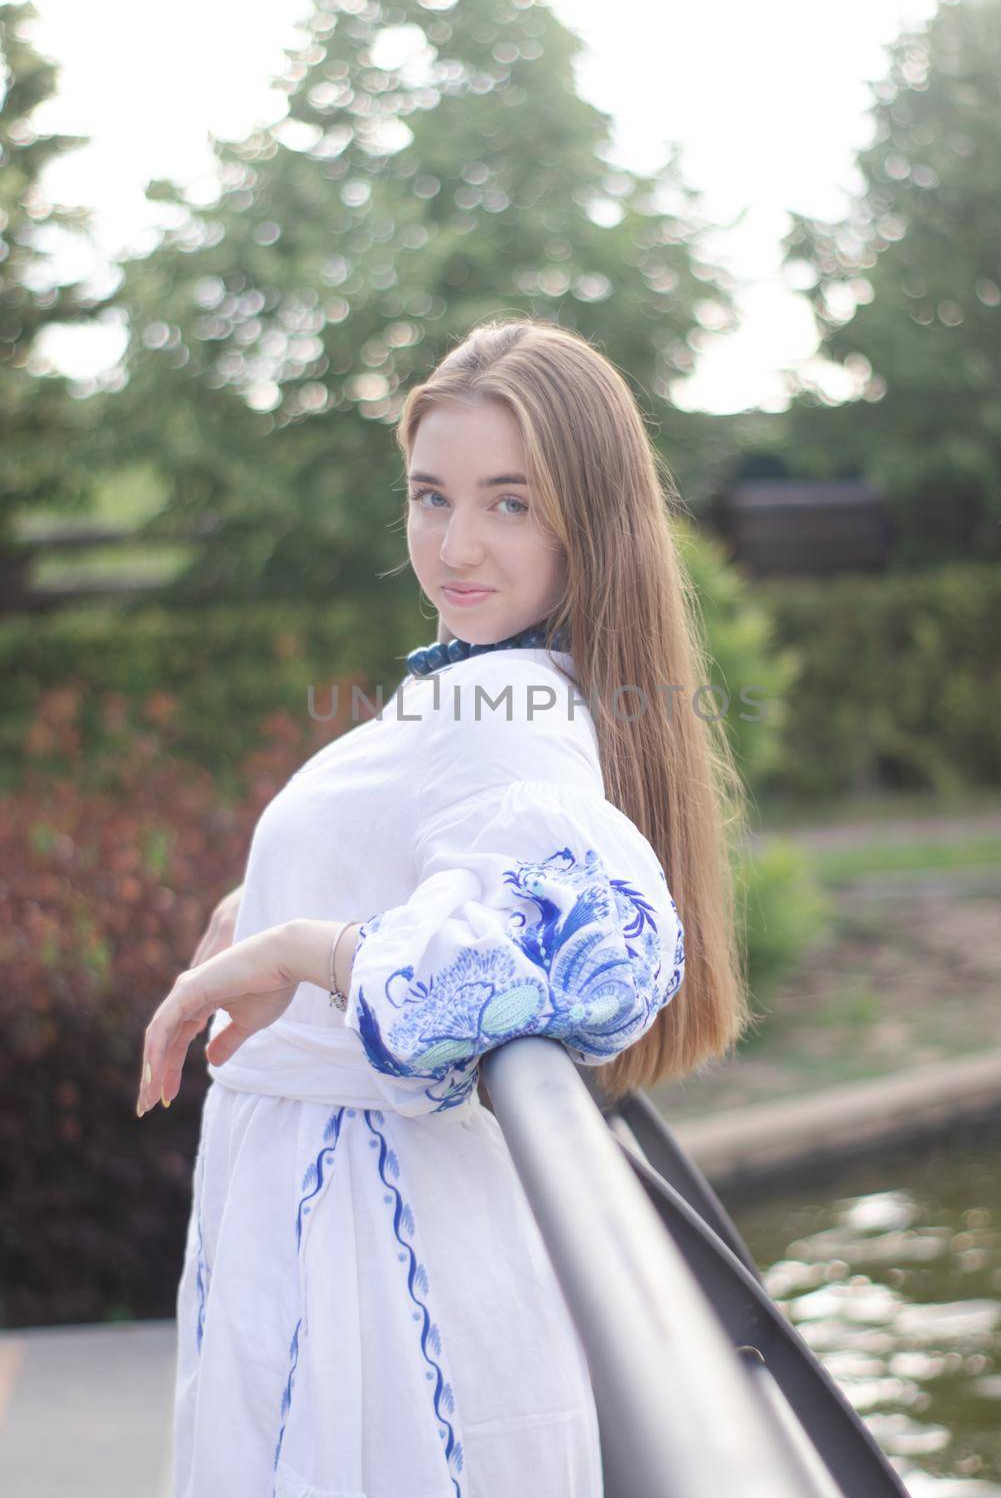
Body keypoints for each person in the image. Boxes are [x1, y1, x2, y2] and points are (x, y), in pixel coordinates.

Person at [137, 318, 751, 1498]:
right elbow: (450, 858)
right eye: (430, 496)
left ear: (590, 521)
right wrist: (270, 899)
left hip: (366, 1251)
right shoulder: (489, 686)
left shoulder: (500, 709)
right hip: (354, 1230)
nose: (456, 545)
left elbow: (594, 955)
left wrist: (302, 944)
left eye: (509, 503)